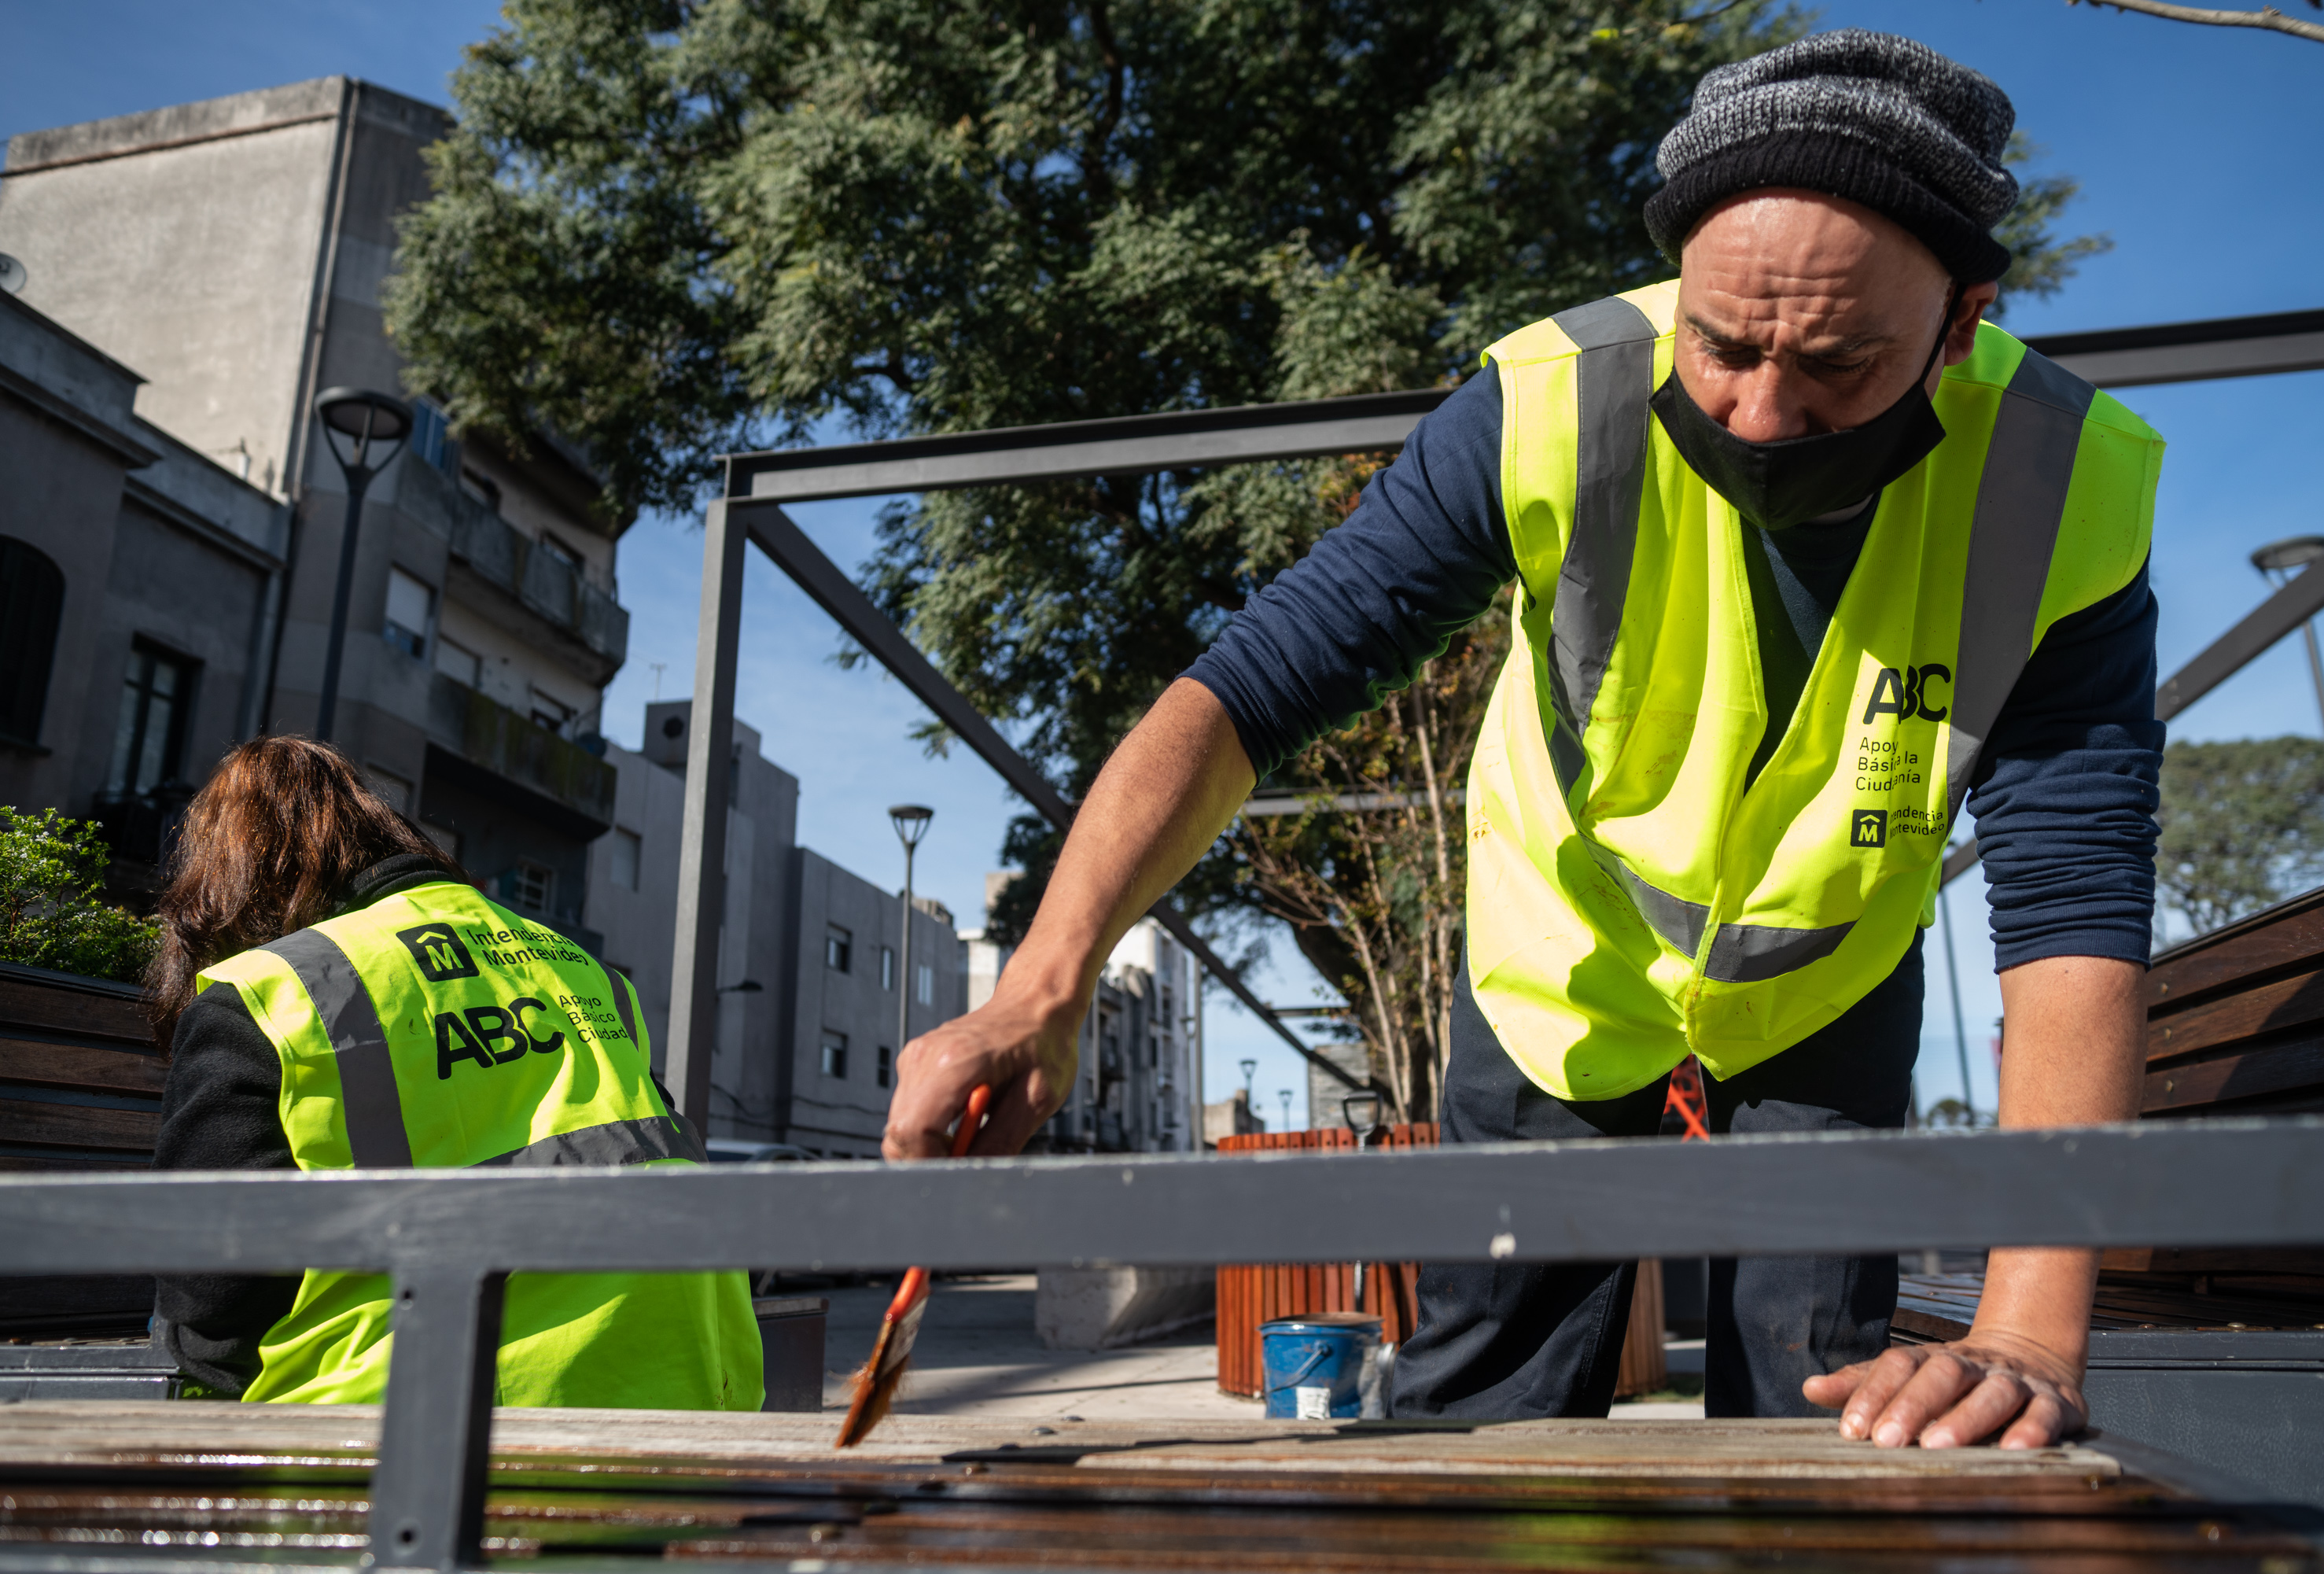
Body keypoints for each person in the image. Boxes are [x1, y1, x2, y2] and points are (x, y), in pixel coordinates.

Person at [884, 30, 2164, 1451]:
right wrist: (1044, 983)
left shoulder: (2058, 490)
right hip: (1561, 970)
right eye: (1723, 342)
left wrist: (2031, 1328)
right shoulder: (1554, 404)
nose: (1760, 411)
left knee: (1823, 1419)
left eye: (1842, 367)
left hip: (1823, 990)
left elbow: (2073, 913)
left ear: (1964, 320)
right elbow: (1253, 688)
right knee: (1475, 1415)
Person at [147, 735, 763, 1408]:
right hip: (692, 1389)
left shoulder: (271, 990)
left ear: (235, 882)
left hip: (429, 1439)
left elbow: (208, 1296)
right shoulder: (584, 969)